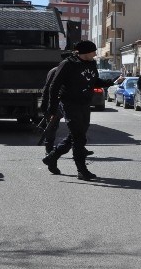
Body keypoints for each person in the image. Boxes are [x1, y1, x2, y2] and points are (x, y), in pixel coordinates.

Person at [41, 41, 112, 180]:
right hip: (69, 104)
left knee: (77, 136)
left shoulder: (91, 63)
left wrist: (111, 82)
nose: (95, 54)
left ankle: (52, 157)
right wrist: (52, 108)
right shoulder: (68, 64)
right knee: (78, 138)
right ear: (85, 52)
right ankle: (82, 170)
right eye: (93, 51)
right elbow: (54, 86)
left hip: (85, 104)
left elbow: (93, 81)